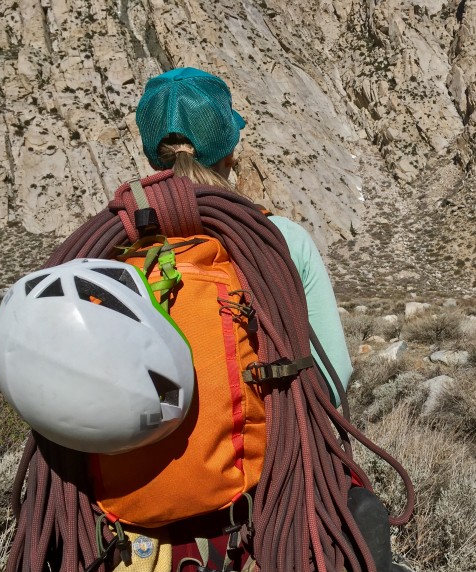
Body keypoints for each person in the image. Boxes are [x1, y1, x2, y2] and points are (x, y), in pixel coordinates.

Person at [135, 66, 352, 404]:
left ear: (153, 158)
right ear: (230, 153)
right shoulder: (282, 239)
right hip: (262, 450)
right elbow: (334, 375)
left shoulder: (121, 245)